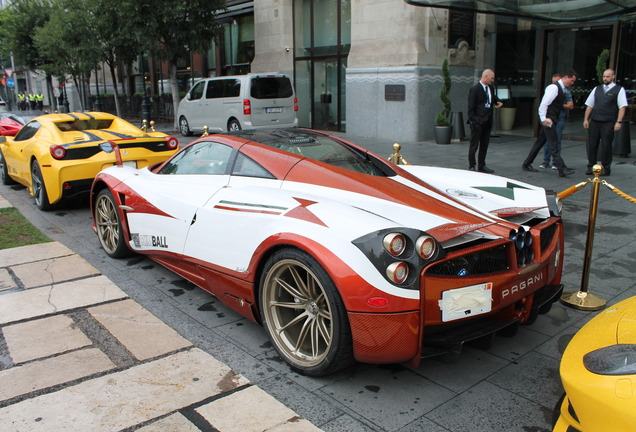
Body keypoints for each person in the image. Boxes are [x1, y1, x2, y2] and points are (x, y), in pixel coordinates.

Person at [521, 70, 578, 177]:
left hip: (551, 118)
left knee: (540, 142)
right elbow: (543, 104)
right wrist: (543, 119)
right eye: (572, 80)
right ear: (566, 77)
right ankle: (561, 168)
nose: (572, 83)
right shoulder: (554, 88)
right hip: (548, 119)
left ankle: (527, 163)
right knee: (553, 143)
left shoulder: (562, 89)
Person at [583, 69, 628, 176]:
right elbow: (590, 105)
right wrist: (586, 119)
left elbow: (622, 107)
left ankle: (606, 168)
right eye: (604, 76)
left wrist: (619, 122)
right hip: (595, 120)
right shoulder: (597, 89)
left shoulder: (619, 89)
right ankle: (591, 167)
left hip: (609, 121)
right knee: (592, 144)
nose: (605, 78)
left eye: (608, 76)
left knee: (606, 145)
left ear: (613, 77)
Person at [467, 69, 503, 173]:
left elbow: (494, 99)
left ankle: (481, 165)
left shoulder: (490, 88)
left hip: (487, 121)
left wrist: (499, 102)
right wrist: (473, 121)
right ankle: (472, 165)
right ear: (486, 76)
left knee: (484, 145)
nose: (492, 80)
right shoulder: (475, 89)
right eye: (491, 78)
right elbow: (471, 108)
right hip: (478, 122)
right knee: (474, 145)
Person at [540, 73, 573, 170]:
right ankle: (546, 161)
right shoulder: (552, 89)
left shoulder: (565, 92)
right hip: (550, 118)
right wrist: (543, 118)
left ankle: (556, 163)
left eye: (557, 81)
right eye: (553, 81)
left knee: (555, 141)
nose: (555, 84)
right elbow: (544, 104)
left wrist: (559, 105)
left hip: (558, 118)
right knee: (546, 141)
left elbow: (570, 105)